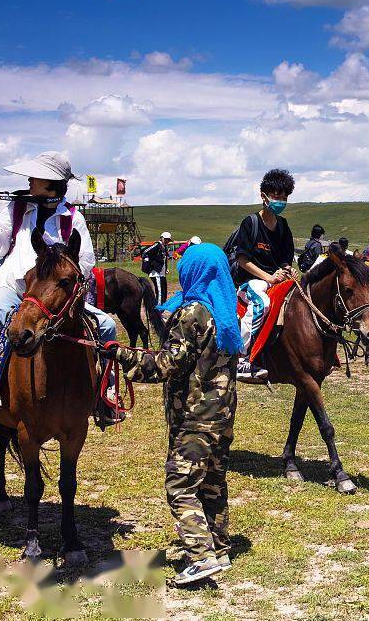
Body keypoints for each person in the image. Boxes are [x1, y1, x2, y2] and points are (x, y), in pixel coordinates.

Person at [0, 152, 120, 427]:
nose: (28, 179)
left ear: (51, 182)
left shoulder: (73, 218)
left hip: (55, 296)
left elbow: (86, 261)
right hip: (13, 287)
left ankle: (104, 397)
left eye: (34, 176)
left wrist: (62, 272)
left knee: (108, 326)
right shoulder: (16, 208)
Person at [103, 243, 241, 585]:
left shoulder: (193, 313)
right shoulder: (225, 311)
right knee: (213, 480)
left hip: (194, 415)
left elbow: (165, 366)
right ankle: (219, 548)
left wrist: (120, 355)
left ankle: (201, 556)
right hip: (222, 413)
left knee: (179, 485)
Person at [231, 168, 296, 382]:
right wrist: (268, 278)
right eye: (276, 196)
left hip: (277, 279)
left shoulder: (284, 226)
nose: (280, 201)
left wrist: (287, 270)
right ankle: (241, 359)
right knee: (262, 304)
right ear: (263, 195)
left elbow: (286, 258)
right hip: (251, 282)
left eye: (284, 198)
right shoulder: (250, 223)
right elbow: (243, 259)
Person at [144, 232, 172, 301]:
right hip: (155, 273)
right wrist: (148, 261)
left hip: (162, 273)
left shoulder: (164, 247)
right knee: (159, 291)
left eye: (168, 240)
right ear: (162, 238)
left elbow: (163, 259)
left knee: (164, 289)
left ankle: (163, 305)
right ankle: (158, 307)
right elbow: (145, 251)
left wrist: (166, 269)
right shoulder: (157, 245)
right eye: (166, 239)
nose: (167, 241)